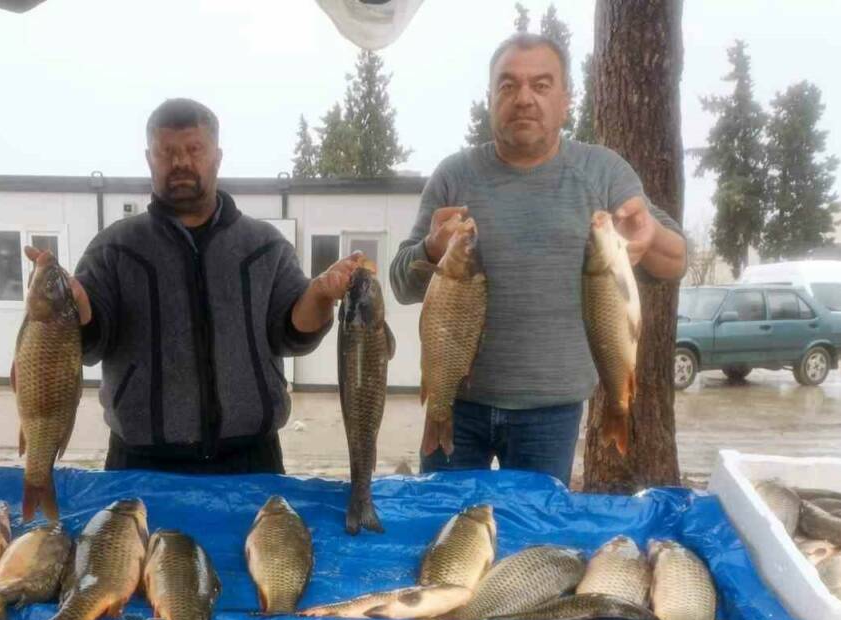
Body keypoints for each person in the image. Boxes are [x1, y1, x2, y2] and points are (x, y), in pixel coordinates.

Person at [390, 33, 687, 486]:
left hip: (551, 413)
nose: (524, 98)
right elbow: (400, 283)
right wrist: (431, 248)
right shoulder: (454, 176)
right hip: (456, 401)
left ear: (566, 101)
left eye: (541, 85)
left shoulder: (603, 172)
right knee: (446, 520)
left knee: (534, 525)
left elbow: (676, 261)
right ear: (490, 99)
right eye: (507, 85)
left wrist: (650, 236)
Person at [68, 98, 361, 474]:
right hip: (140, 464)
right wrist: (75, 307)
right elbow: (90, 344)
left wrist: (318, 294)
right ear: (149, 158)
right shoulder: (114, 248)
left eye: (194, 149)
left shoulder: (265, 245)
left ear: (217, 157)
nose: (180, 162)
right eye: (166, 151)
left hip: (252, 461)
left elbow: (292, 334)